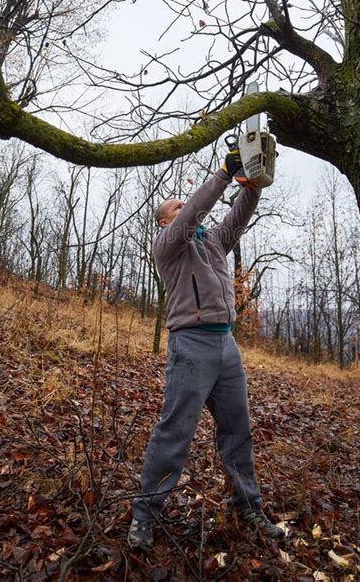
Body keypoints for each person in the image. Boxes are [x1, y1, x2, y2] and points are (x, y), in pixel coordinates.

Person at [127, 148, 284, 550]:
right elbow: (194, 210)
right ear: (166, 220)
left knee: (238, 431)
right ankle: (145, 514)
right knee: (175, 430)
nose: (187, 209)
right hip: (190, 345)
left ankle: (248, 505)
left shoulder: (214, 242)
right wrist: (221, 175)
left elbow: (239, 215)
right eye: (177, 207)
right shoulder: (168, 246)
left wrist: (252, 180)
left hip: (226, 347)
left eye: (185, 205)